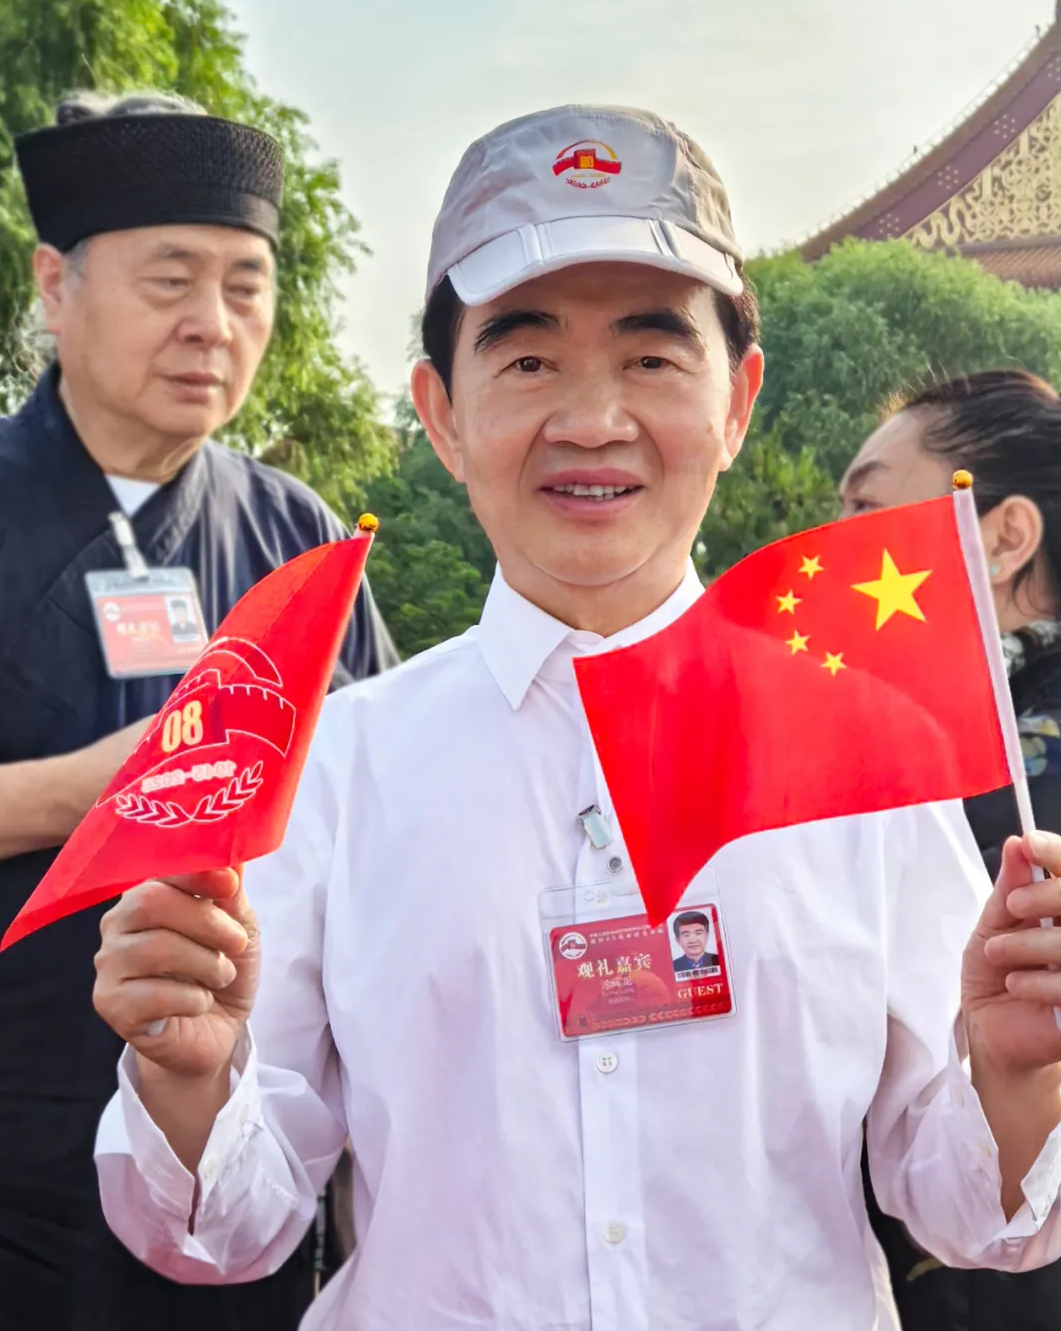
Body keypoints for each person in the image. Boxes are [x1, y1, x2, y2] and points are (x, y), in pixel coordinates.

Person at [91, 105, 1061, 1331]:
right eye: (528, 359)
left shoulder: (869, 751)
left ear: (736, 401)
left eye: (651, 358)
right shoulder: (337, 767)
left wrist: (1018, 1071)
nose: (592, 420)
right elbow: (230, 1231)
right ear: (441, 413)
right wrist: (186, 1078)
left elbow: (967, 1210)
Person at [0, 92, 395, 1331]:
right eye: (171, 281)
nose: (212, 325)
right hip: (21, 1130)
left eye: (245, 285)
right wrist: (93, 793)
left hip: (237, 1145)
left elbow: (380, 809)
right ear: (55, 285)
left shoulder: (297, 533)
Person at [841, 370, 1061, 1331]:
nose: (826, 547)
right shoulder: (890, 744)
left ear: (1003, 537)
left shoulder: (991, 767)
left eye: (865, 510)